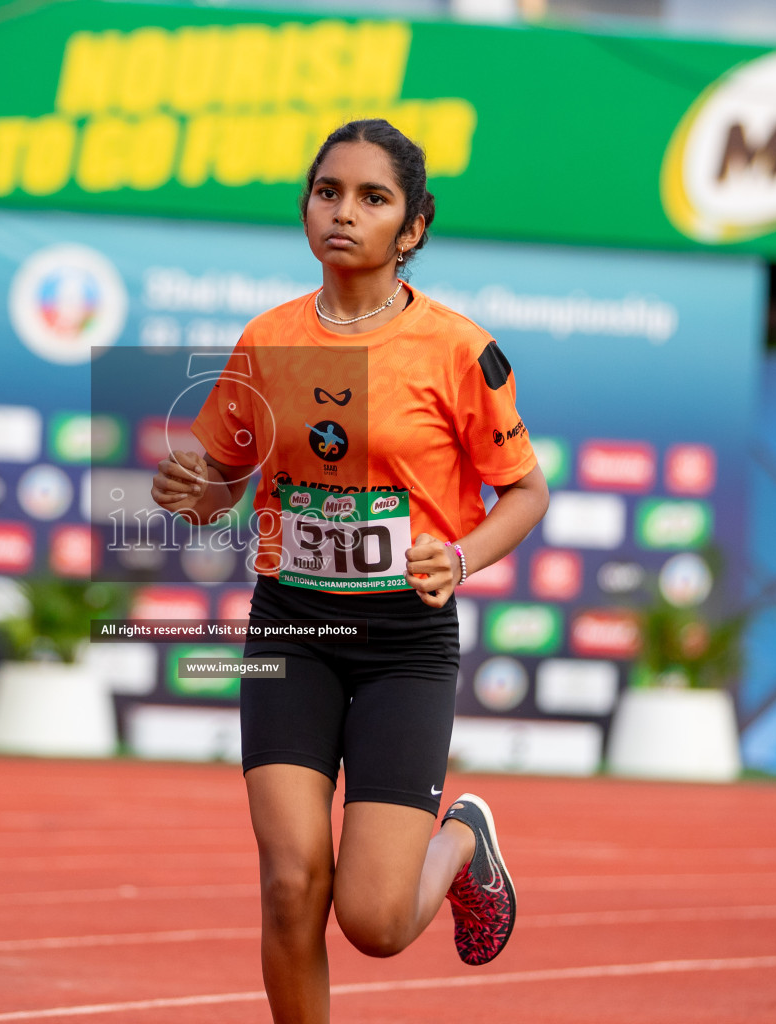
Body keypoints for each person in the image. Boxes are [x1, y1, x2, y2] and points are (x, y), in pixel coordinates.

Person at [151, 119, 549, 1022]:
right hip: (291, 625)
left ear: (413, 227)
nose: (344, 212)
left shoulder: (457, 349)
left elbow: (526, 494)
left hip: (405, 641)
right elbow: (223, 480)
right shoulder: (269, 338)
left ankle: (462, 847)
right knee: (292, 883)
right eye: (328, 191)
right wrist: (194, 490)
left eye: (374, 198)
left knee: (371, 919)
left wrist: (461, 555)